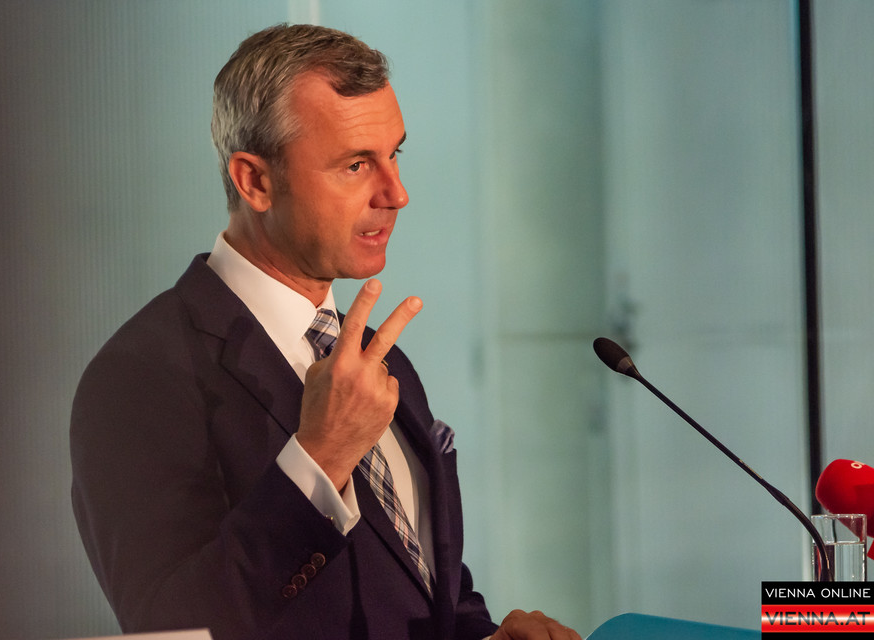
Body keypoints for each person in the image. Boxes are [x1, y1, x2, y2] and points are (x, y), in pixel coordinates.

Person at [70, 23, 580, 640]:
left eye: (395, 155)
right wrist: (321, 457)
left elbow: (424, 589)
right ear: (256, 181)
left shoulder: (377, 358)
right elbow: (168, 625)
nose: (397, 193)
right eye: (356, 164)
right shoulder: (142, 373)